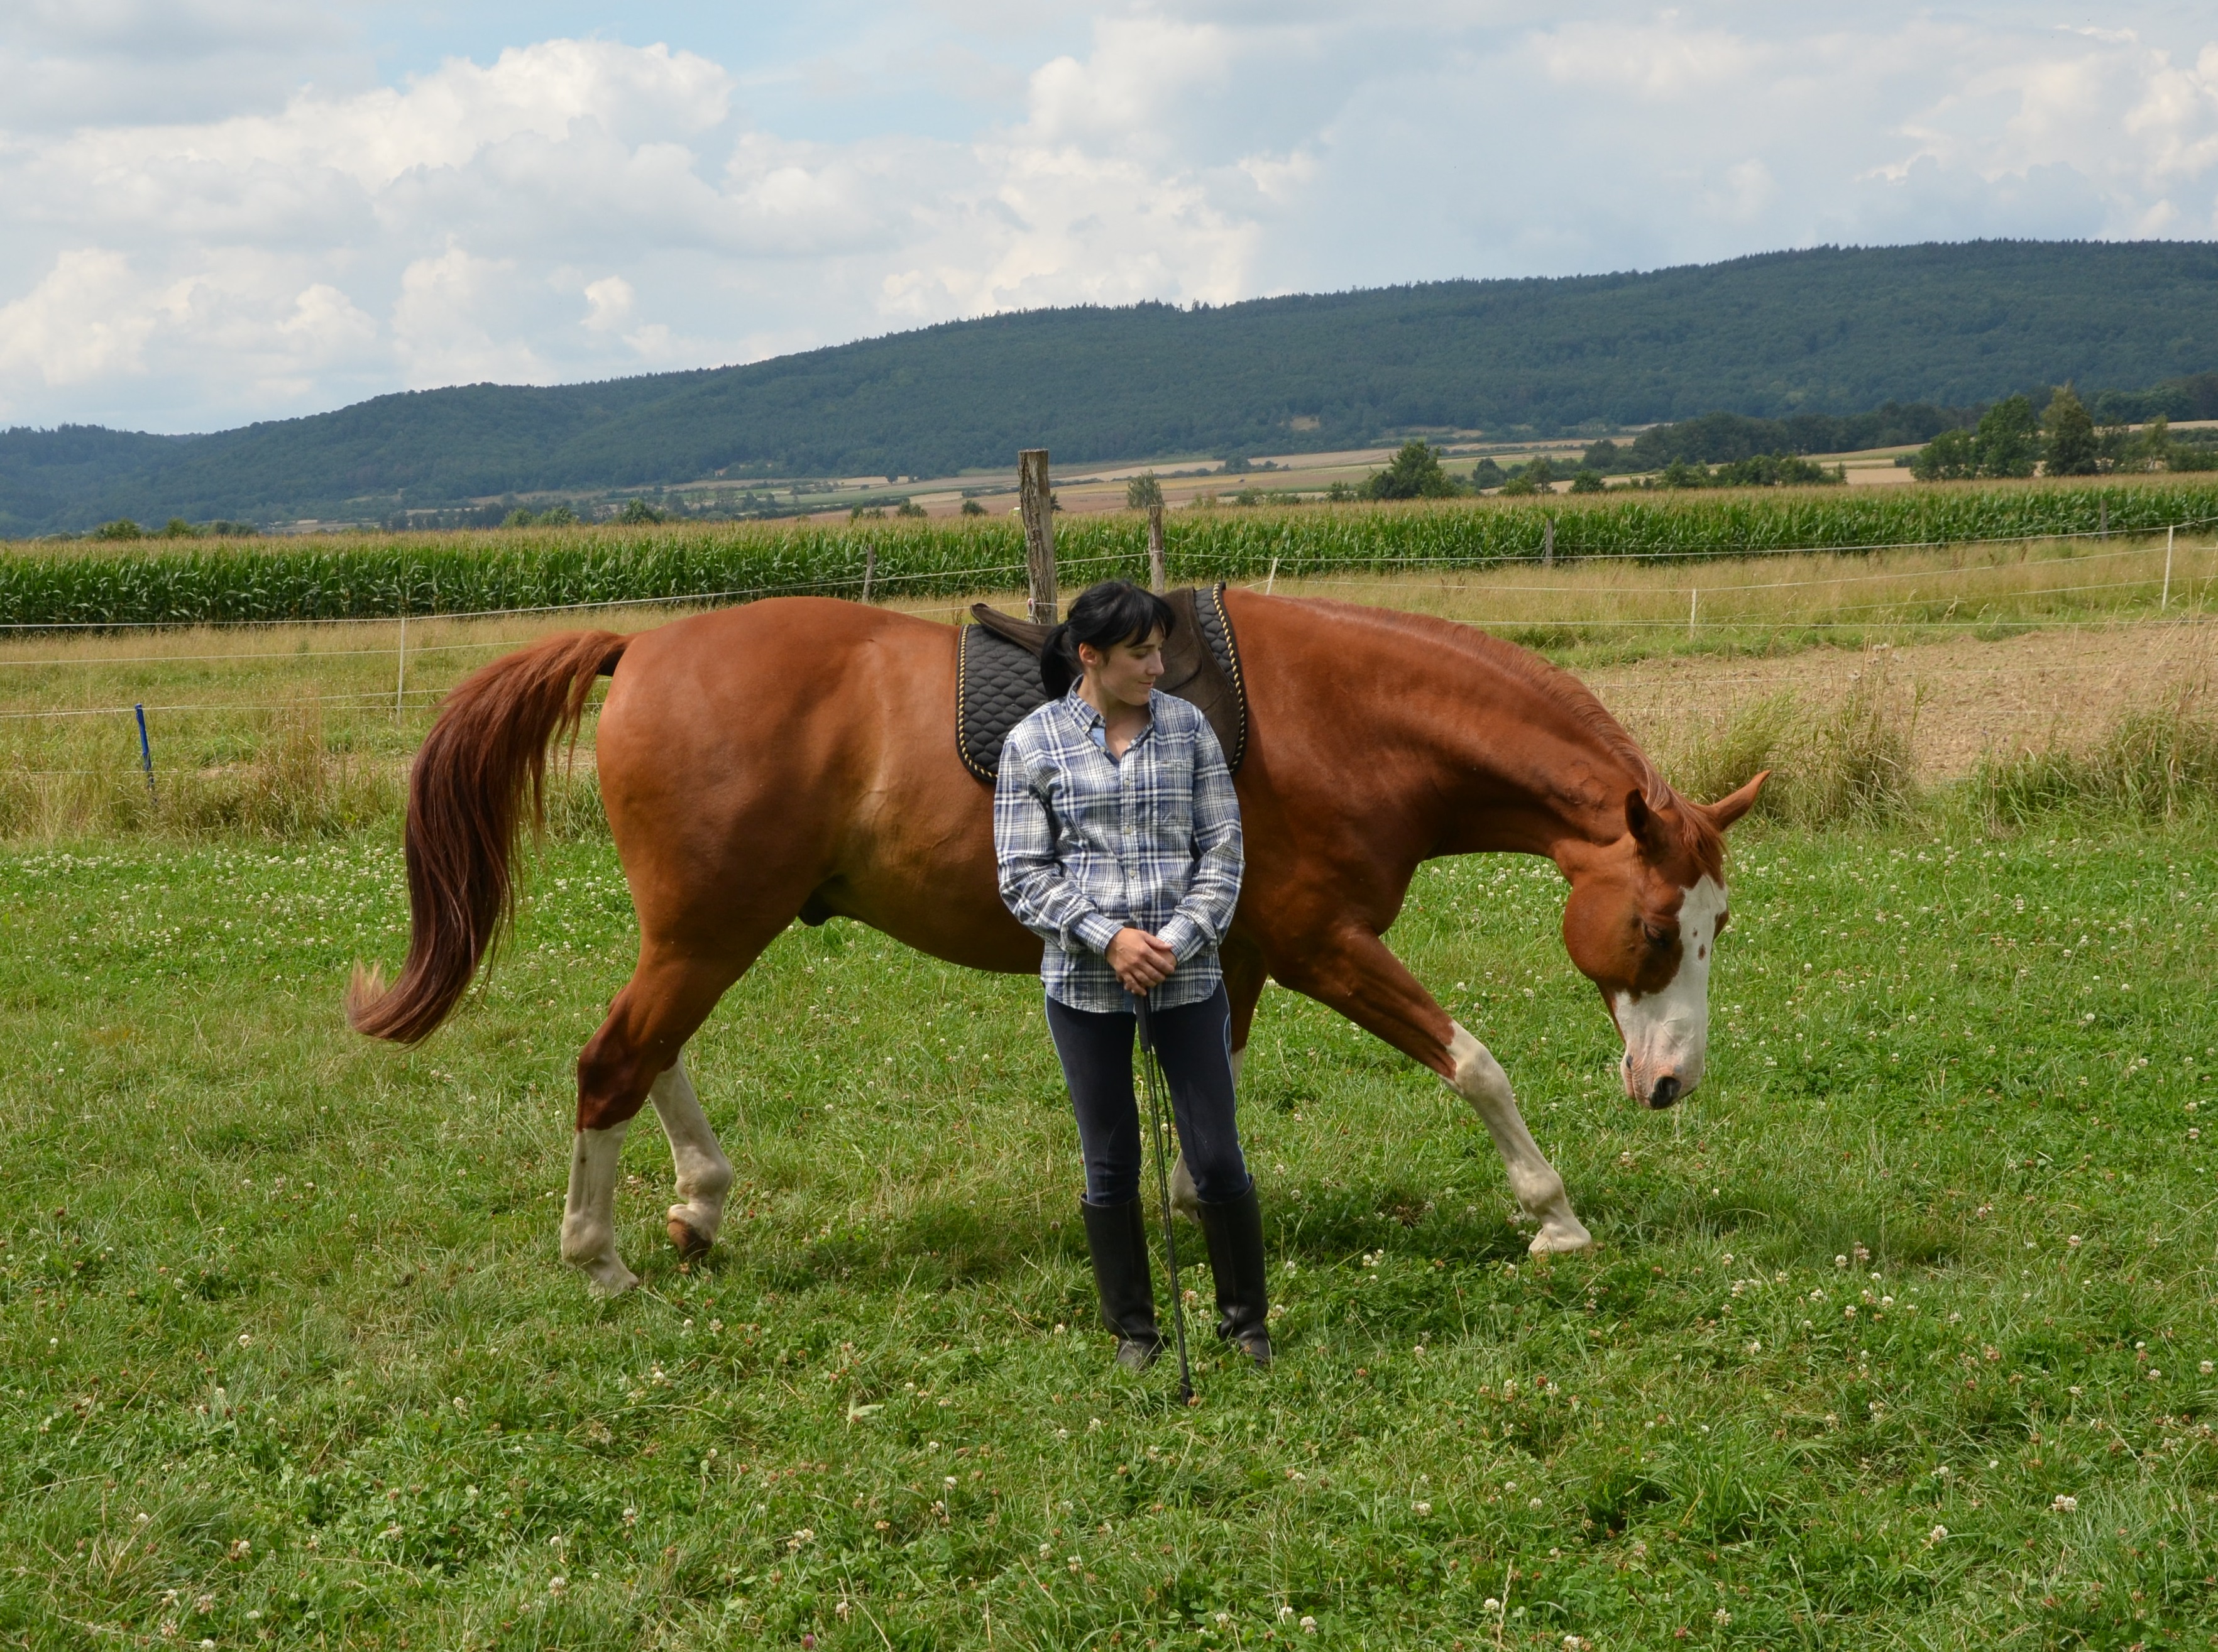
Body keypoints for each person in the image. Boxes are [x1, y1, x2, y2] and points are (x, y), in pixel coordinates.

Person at [993, 579, 1271, 1371]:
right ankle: (1135, 1333)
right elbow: (1022, 873)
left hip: (1189, 979)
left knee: (1215, 1156)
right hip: (1083, 988)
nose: (1158, 667)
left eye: (1160, 651)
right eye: (1140, 654)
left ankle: (1246, 1323)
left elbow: (1223, 856)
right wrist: (1109, 939)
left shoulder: (1188, 730)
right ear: (1090, 656)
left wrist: (1172, 943)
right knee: (1109, 1162)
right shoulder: (1033, 743)